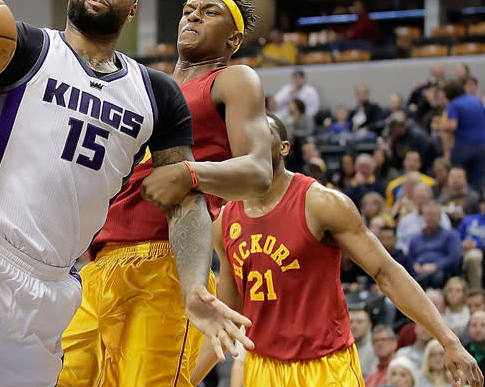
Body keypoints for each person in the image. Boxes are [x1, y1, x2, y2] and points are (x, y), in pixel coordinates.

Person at [0, 0, 251, 387]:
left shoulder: (157, 94)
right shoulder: (23, 46)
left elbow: (185, 203)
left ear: (133, 9)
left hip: (54, 286)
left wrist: (195, 286)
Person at [59, 0, 271, 387]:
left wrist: (189, 172)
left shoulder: (232, 78)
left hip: (166, 263)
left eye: (210, 13)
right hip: (97, 267)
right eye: (188, 10)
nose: (193, 16)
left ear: (233, 40)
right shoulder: (143, 87)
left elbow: (259, 171)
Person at [191, 115, 483, 387]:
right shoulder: (224, 221)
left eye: (261, 128)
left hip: (326, 365)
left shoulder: (321, 203)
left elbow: (388, 273)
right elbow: (227, 313)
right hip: (262, 367)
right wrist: (186, 380)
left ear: (283, 147)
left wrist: (448, 340)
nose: (250, 134)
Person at [435, 80, 485, 190]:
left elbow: (453, 125)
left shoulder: (454, 104)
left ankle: (460, 198)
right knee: (478, 178)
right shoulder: (476, 100)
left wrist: (439, 127)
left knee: (457, 173)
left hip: (464, 145)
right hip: (481, 144)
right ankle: (477, 199)